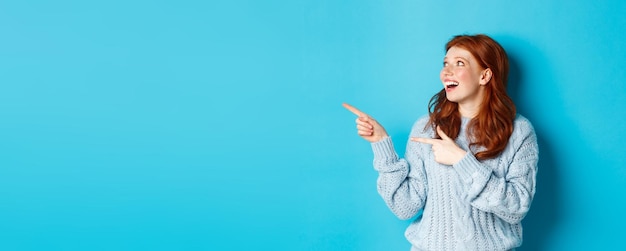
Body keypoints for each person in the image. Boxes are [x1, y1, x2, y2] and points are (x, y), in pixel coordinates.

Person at [343, 34, 539, 250]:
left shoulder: (519, 131)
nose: (446, 72)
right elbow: (405, 207)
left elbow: (516, 207)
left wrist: (462, 160)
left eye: (459, 63)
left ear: (485, 75)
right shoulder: (426, 128)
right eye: (445, 64)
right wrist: (381, 145)